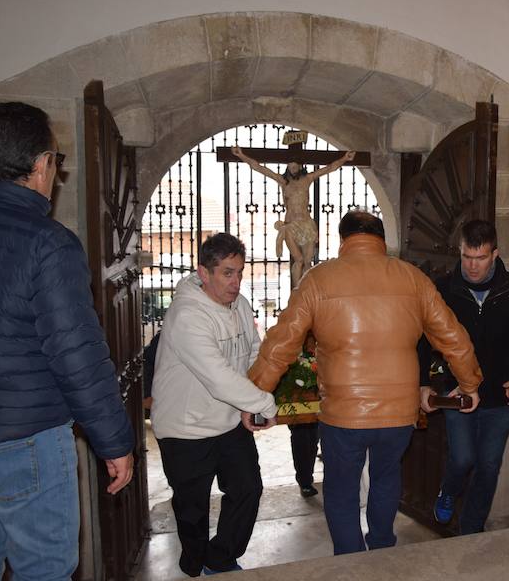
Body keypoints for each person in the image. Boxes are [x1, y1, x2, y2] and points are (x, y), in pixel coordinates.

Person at [248, 210, 482, 555]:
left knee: (342, 489)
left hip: (343, 415)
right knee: (387, 479)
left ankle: (350, 561)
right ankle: (383, 549)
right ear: (382, 240)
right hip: (398, 414)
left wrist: (255, 397)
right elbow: (452, 338)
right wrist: (470, 383)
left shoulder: (318, 279)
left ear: (344, 240)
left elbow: (281, 343)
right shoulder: (413, 278)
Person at [0, 101, 134, 580]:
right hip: (26, 439)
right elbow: (76, 355)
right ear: (41, 164)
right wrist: (114, 442)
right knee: (44, 569)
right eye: (56, 162)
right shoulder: (47, 242)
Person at [150, 232, 279, 576]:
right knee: (192, 511)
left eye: (239, 272)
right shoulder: (188, 315)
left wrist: (249, 398)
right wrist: (266, 402)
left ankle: (220, 559)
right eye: (227, 273)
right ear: (204, 273)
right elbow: (218, 376)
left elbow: (252, 350)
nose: (236, 282)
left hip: (228, 420)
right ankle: (193, 563)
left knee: (248, 489)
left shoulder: (239, 303)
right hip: (184, 428)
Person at [419, 220, 509, 534]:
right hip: (458, 395)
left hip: (500, 397)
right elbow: (422, 339)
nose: (473, 266)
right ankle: (448, 491)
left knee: (489, 467)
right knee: (462, 459)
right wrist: (422, 383)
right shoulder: (443, 289)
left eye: (480, 258)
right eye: (467, 257)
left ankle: (471, 529)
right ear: (460, 252)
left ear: (495, 254)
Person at [231, 145, 355, 288]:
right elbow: (260, 168)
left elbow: (329, 168)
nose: (292, 169)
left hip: (307, 224)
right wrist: (242, 156)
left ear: (300, 166)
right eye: (290, 166)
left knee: (308, 261)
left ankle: (308, 291)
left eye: (295, 166)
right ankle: (297, 291)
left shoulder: (307, 179)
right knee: (299, 260)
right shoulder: (283, 182)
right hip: (291, 225)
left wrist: (345, 158)